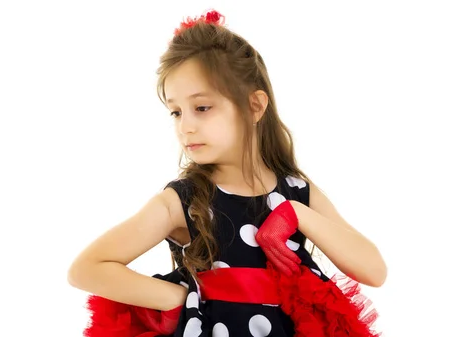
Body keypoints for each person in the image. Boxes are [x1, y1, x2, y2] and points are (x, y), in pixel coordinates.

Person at [67, 9, 386, 337]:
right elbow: (86, 269)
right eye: (176, 112)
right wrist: (175, 297)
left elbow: (374, 270)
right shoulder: (184, 200)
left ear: (255, 106)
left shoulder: (296, 192)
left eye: (202, 108)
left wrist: (295, 214)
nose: (186, 126)